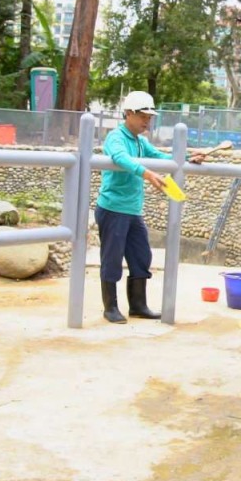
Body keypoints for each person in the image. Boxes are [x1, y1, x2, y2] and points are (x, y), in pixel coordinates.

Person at [96, 91, 206, 323]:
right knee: (112, 258)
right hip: (113, 208)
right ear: (128, 114)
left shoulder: (141, 142)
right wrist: (146, 173)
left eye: (149, 116)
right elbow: (119, 158)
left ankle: (138, 305)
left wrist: (188, 156)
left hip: (133, 211)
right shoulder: (116, 137)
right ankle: (111, 307)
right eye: (143, 116)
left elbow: (160, 156)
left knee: (141, 256)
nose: (147, 121)